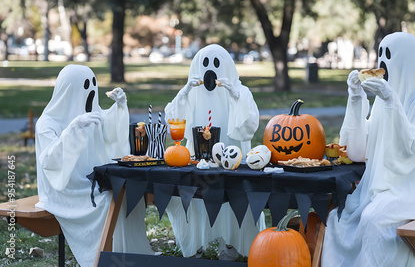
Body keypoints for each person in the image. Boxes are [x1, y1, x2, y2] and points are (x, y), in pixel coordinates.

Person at [322, 32, 415, 267]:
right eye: (380, 54)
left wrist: (392, 101)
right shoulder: (384, 99)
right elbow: (358, 151)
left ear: (406, 59)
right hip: (381, 187)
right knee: (337, 218)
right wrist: (355, 99)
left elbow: (410, 150)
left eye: (389, 55)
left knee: (373, 221)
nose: (383, 62)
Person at [35, 65, 153, 267]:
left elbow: (110, 131)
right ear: (68, 89)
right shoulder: (48, 123)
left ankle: (129, 258)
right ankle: (104, 260)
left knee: (125, 194)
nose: (90, 92)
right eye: (85, 86)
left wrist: (119, 108)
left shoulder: (92, 115)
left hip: (92, 182)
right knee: (110, 199)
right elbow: (50, 162)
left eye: (93, 85)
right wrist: (72, 131)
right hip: (64, 190)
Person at [164, 44, 265, 257]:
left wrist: (236, 96)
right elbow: (173, 118)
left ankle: (232, 244)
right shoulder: (192, 92)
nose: (211, 70)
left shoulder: (240, 91)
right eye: (206, 64)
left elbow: (249, 125)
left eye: (217, 64)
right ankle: (195, 244)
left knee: (232, 196)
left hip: (231, 160)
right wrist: (185, 92)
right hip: (199, 161)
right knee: (196, 196)